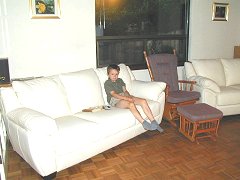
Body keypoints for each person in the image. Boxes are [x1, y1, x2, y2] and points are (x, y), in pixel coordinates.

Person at [104, 64, 164, 132]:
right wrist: (127, 99)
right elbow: (114, 94)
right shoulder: (107, 83)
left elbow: (125, 91)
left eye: (116, 74)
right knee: (131, 104)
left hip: (124, 96)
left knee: (143, 101)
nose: (115, 76)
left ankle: (154, 123)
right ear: (108, 74)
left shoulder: (120, 80)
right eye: (112, 74)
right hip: (115, 100)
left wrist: (129, 96)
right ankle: (144, 124)